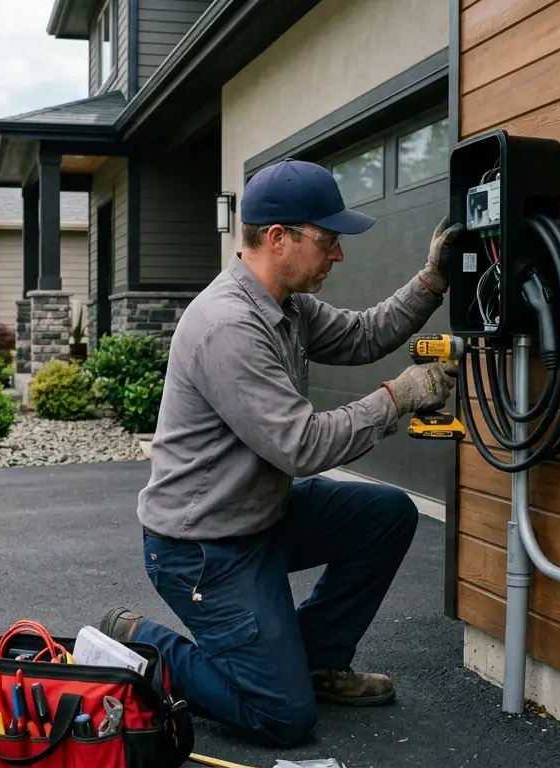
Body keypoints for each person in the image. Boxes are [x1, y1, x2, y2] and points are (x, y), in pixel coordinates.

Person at [97, 158, 460, 747]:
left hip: (261, 518)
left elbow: (364, 334)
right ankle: (142, 644)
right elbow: (303, 444)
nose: (338, 254)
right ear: (277, 238)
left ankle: (313, 662)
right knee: (282, 717)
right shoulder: (228, 326)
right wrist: (399, 397)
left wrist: (431, 281)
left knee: (388, 515)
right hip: (202, 549)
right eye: (327, 239)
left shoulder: (289, 305)